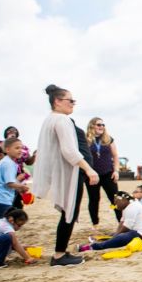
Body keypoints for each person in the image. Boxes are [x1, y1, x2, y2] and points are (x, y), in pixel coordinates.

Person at [32, 84, 100, 267]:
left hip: (64, 171)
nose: (73, 104)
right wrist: (89, 169)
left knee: (68, 211)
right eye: (70, 100)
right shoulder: (61, 120)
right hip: (69, 172)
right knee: (70, 211)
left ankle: (60, 252)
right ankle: (59, 255)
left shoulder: (51, 119)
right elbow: (69, 151)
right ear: (57, 101)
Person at [77, 191, 142, 253]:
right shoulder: (127, 207)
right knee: (115, 234)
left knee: (120, 237)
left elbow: (127, 227)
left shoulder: (132, 207)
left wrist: (116, 236)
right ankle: (103, 241)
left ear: (123, 200)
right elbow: (122, 222)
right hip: (134, 232)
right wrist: (115, 234)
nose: (116, 205)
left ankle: (92, 247)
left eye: (116, 202)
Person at [85, 117, 121, 229]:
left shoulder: (108, 139)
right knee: (94, 199)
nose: (102, 127)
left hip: (108, 173)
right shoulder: (86, 140)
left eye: (103, 125)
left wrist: (116, 171)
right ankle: (95, 224)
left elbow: (115, 156)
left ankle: (121, 222)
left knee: (115, 199)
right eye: (99, 124)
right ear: (92, 126)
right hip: (92, 175)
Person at [0, 126, 36, 209]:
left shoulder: (22, 148)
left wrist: (34, 156)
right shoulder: (0, 145)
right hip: (5, 175)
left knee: (16, 201)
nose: (12, 132)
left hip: (17, 174)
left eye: (14, 131)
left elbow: (28, 162)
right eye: (9, 131)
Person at [0, 138, 31, 221]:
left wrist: (18, 188)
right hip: (0, 198)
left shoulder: (8, 162)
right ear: (7, 150)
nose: (20, 150)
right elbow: (9, 183)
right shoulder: (8, 163)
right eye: (17, 148)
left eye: (21, 148)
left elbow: (8, 182)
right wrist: (22, 187)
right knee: (0, 223)